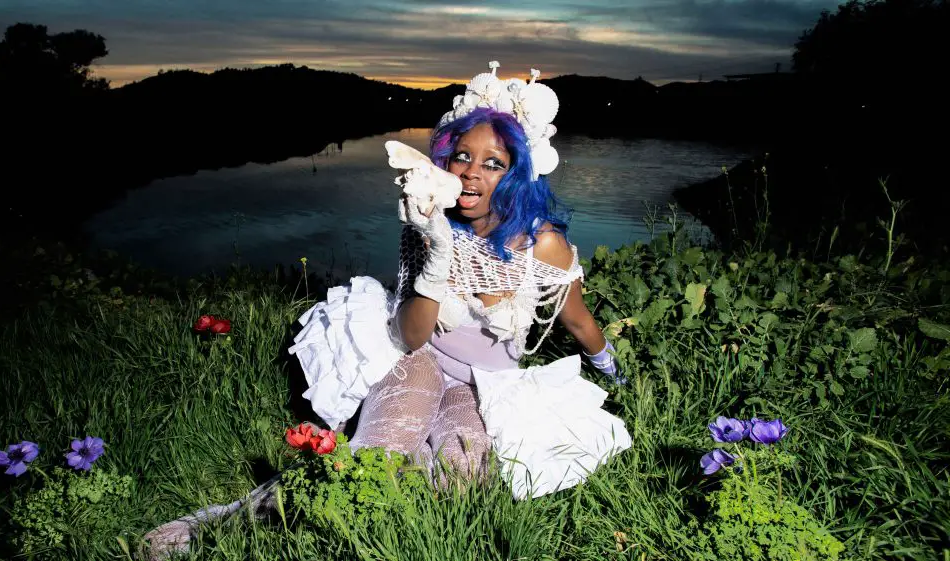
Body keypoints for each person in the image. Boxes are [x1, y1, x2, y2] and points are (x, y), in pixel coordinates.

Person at [140, 61, 631, 560]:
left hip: (484, 386)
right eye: (462, 157)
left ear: (518, 174)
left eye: (493, 163)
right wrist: (438, 254)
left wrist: (617, 373)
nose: (470, 172)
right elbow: (412, 336)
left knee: (462, 482)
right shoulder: (429, 224)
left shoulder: (543, 245)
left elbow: (577, 320)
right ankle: (226, 522)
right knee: (377, 455)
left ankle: (374, 521)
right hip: (416, 359)